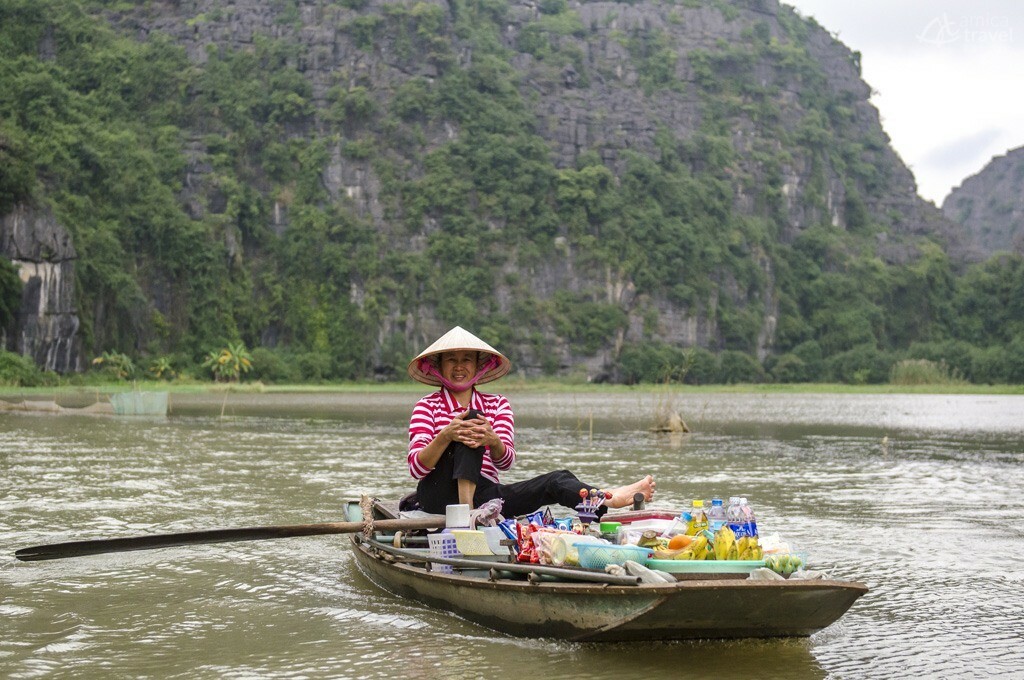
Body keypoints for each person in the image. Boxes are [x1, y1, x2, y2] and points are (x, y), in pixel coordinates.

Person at [404, 326, 655, 518]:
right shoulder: (427, 406)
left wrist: (493, 440)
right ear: (439, 366)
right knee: (470, 421)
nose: (459, 367)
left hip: (486, 497)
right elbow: (417, 469)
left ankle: (605, 499)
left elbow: (505, 462)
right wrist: (446, 435)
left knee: (556, 480)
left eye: (466, 359)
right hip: (437, 496)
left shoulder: (497, 404)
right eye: (451, 360)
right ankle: (466, 519)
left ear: (478, 365)